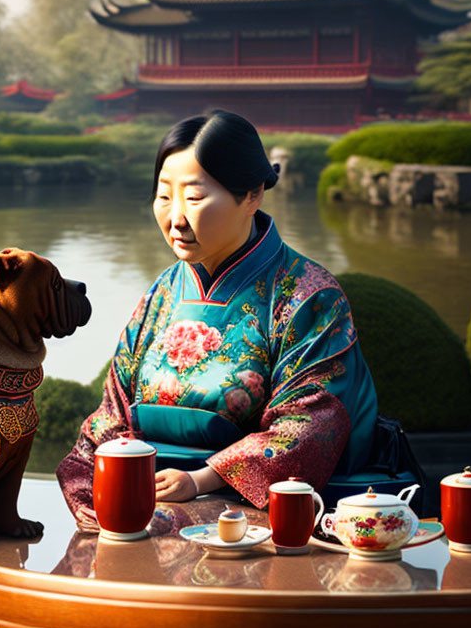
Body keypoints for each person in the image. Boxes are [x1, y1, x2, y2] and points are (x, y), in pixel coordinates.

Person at [56, 110, 378, 533]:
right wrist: (95, 485)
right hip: (148, 501)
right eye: (164, 196)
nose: (175, 219)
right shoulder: (162, 294)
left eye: (193, 198)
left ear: (252, 195)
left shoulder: (308, 296)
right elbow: (112, 413)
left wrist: (201, 480)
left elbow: (309, 426)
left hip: (253, 513)